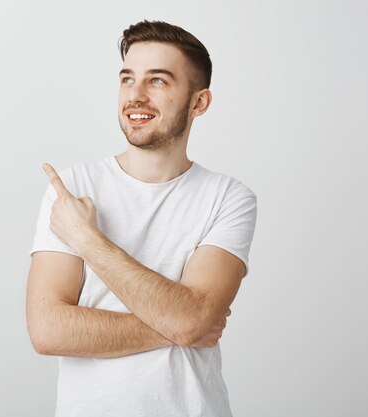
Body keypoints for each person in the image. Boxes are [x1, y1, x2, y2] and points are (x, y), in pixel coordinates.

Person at [26, 19, 257, 417]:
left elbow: (192, 321)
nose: (135, 96)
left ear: (199, 102)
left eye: (158, 81)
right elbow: (47, 330)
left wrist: (86, 239)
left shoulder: (228, 198)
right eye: (127, 79)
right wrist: (183, 325)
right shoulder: (72, 188)